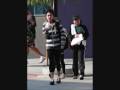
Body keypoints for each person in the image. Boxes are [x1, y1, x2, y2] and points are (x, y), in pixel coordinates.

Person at [42, 9, 66, 85]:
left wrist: (62, 45)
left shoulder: (58, 24)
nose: (49, 16)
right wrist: (47, 27)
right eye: (48, 15)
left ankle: (58, 77)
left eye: (50, 15)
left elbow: (63, 34)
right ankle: (52, 79)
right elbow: (43, 33)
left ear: (53, 16)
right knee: (51, 63)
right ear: (46, 16)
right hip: (49, 47)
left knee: (58, 62)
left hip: (57, 46)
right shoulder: (44, 24)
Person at [70, 16, 89, 80]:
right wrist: (73, 36)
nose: (76, 21)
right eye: (75, 20)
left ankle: (81, 74)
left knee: (81, 60)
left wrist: (81, 35)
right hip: (74, 46)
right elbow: (69, 36)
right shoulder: (72, 27)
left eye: (77, 20)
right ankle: (75, 74)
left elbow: (87, 35)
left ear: (79, 20)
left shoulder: (83, 27)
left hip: (81, 46)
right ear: (73, 21)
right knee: (74, 60)